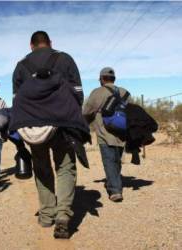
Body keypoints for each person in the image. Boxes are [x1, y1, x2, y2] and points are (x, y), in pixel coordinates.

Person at [12, 31, 84, 239]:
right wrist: (71, 117)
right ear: (50, 43)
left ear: (31, 45)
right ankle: (62, 216)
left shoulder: (21, 66)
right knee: (65, 167)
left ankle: (46, 215)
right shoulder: (65, 58)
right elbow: (78, 93)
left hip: (34, 126)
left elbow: (17, 100)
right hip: (63, 123)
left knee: (42, 167)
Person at [83, 67, 131, 202]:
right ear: (113, 78)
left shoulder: (97, 92)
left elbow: (87, 111)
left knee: (109, 161)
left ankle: (115, 190)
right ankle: (114, 182)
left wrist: (84, 124)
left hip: (105, 134)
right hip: (122, 133)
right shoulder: (125, 92)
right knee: (116, 160)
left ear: (102, 79)